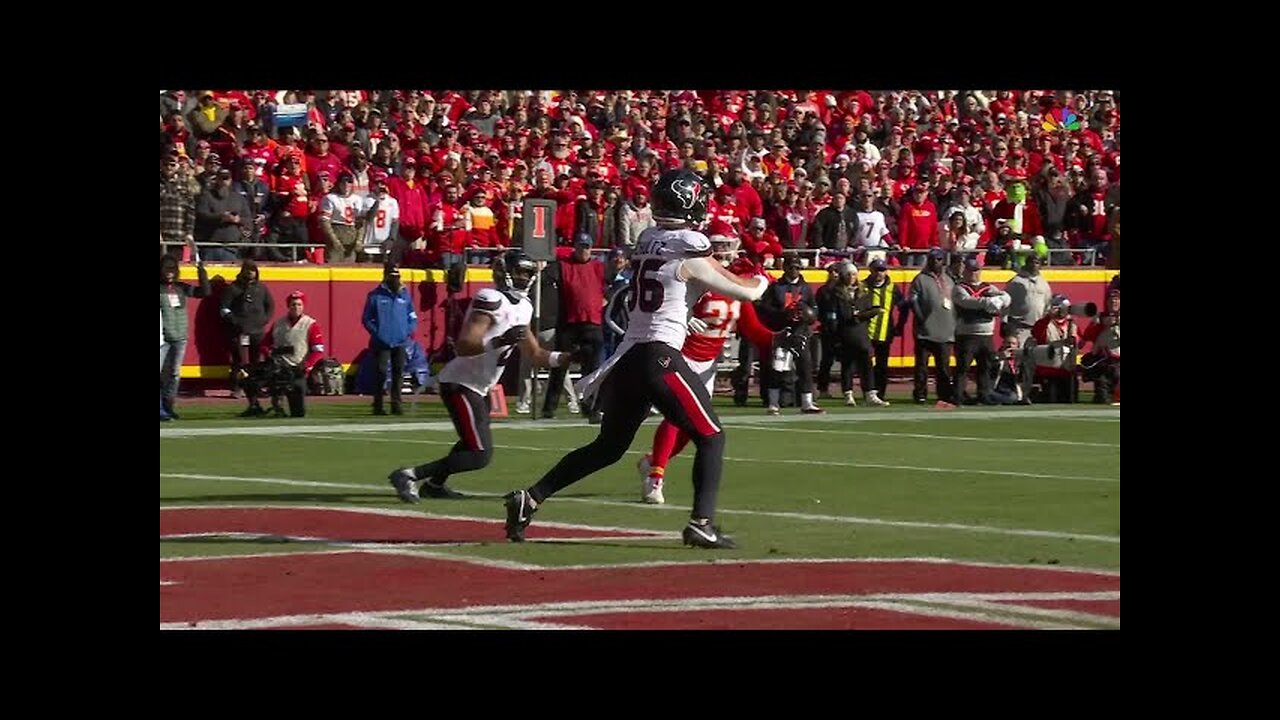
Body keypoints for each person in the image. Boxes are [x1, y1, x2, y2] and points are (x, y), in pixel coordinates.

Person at [503, 169, 770, 549]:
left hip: (628, 357)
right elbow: (746, 293)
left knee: (608, 447)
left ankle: (531, 497)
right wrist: (761, 278)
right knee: (711, 436)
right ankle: (701, 522)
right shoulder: (689, 250)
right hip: (658, 356)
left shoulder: (648, 241)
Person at [387, 251, 571, 502]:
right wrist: (499, 341)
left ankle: (435, 485)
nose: (524, 277)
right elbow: (464, 345)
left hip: (480, 386)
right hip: (460, 384)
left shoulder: (525, 306)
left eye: (528, 273)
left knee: (470, 442)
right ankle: (409, 475)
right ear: (503, 273)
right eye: (520, 271)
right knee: (479, 454)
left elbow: (535, 353)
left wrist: (564, 357)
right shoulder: (491, 299)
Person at [636, 256, 777, 504]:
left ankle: (651, 462)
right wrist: (684, 318)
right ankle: (655, 476)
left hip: (708, 365)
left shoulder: (737, 295)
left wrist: (781, 337)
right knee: (676, 417)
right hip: (681, 356)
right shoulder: (698, 284)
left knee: (695, 427)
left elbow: (753, 330)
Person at [248, 291, 326, 417]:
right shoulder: (278, 324)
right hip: (278, 366)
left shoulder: (310, 324)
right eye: (293, 304)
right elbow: (264, 344)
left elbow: (318, 351)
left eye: (299, 305)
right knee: (250, 379)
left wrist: (307, 365)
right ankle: (258, 406)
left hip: (297, 367)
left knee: (298, 413)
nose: (296, 307)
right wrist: (269, 354)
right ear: (288, 306)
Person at [159, 244, 210, 420]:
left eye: (172, 269)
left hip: (180, 337)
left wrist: (200, 270)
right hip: (162, 338)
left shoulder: (181, 288)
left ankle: (168, 406)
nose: (169, 272)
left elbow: (204, 292)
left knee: (174, 374)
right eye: (166, 268)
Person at [952, 256, 1011, 404]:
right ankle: (958, 395)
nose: (973, 273)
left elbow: (1006, 298)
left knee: (986, 366)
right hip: (967, 334)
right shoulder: (959, 288)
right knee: (963, 367)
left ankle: (984, 394)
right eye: (970, 270)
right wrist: (988, 302)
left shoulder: (988, 287)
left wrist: (1000, 299)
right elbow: (966, 302)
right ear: (965, 271)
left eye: (976, 270)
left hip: (986, 334)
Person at [361, 264, 418, 415]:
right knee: (380, 372)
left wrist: (407, 332)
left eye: (397, 276)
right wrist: (377, 333)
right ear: (385, 276)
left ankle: (396, 404)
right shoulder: (375, 295)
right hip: (381, 342)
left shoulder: (404, 295)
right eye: (392, 276)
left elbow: (412, 317)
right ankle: (378, 404)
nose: (395, 280)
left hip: (400, 341)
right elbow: (366, 319)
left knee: (398, 372)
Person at [219, 260, 275, 404]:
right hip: (239, 332)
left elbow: (270, 306)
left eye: (253, 270)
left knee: (256, 361)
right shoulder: (233, 288)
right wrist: (234, 321)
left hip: (257, 332)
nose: (250, 273)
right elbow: (223, 309)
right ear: (242, 271)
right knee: (239, 361)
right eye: (248, 270)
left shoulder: (262, 288)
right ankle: (238, 387)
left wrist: (264, 320)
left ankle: (255, 387)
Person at [908, 247, 956, 405]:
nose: (937, 262)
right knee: (922, 366)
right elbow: (913, 301)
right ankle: (920, 393)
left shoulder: (949, 279)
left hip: (945, 330)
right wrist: (921, 318)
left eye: (939, 259)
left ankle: (944, 394)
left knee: (943, 366)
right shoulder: (920, 279)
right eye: (934, 259)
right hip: (925, 331)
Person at [862, 257, 906, 403]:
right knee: (865, 363)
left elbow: (903, 308)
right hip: (865, 331)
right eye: (876, 270)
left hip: (884, 331)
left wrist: (899, 326)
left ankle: (880, 393)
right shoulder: (863, 286)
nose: (879, 273)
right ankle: (868, 392)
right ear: (871, 271)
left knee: (882, 364)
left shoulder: (893, 288)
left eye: (882, 270)